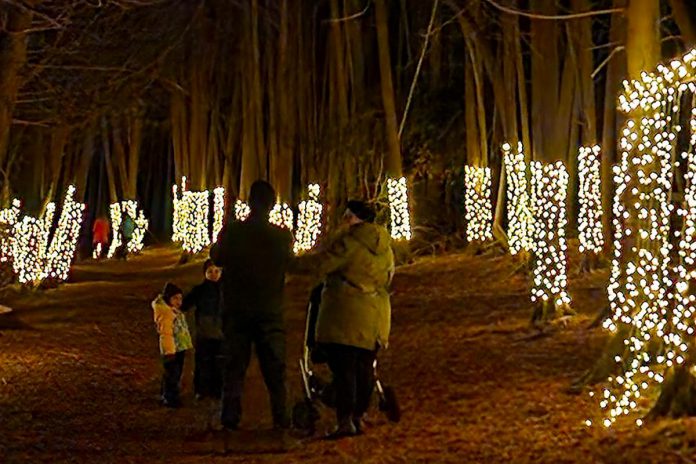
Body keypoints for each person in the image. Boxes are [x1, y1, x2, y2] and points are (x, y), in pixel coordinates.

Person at [295, 200, 394, 439]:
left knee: (344, 369)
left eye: (347, 216)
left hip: (345, 313)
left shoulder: (349, 243)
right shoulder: (385, 246)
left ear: (354, 218)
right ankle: (358, 416)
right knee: (365, 368)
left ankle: (345, 420)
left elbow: (323, 263)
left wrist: (292, 264)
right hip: (375, 313)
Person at [211, 180, 293, 431]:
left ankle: (230, 418)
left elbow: (217, 256)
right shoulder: (281, 236)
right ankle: (281, 419)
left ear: (249, 202)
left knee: (235, 367)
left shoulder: (233, 231)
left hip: (237, 308)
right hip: (269, 308)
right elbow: (290, 264)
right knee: (275, 369)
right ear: (271, 205)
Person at [182, 259, 224, 400]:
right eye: (210, 271)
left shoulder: (226, 290)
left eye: (217, 271)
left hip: (221, 332)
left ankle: (217, 389)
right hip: (204, 332)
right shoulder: (200, 290)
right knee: (202, 361)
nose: (214, 274)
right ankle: (201, 389)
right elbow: (186, 303)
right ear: (205, 273)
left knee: (219, 362)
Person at [152, 282, 193, 408]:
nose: (178, 301)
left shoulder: (174, 311)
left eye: (180, 298)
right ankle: (170, 398)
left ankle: (167, 394)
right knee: (172, 374)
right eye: (175, 298)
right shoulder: (166, 314)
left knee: (175, 373)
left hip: (179, 347)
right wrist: (169, 351)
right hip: (172, 349)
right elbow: (166, 334)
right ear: (168, 298)